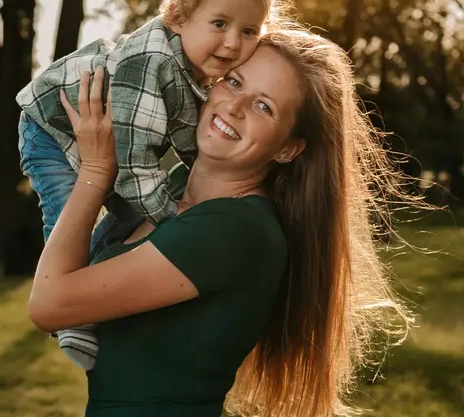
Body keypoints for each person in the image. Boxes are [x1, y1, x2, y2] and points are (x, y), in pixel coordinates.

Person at [28, 28, 413, 417]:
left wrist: (96, 171)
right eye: (234, 82)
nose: (234, 106)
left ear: (288, 148)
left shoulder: (236, 229)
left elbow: (49, 304)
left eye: (263, 106)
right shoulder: (170, 187)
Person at [16, 0, 281, 370]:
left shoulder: (194, 65)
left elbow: (185, 138)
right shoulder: (151, 61)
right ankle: (72, 312)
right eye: (220, 23)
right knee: (69, 214)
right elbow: (136, 163)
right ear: (178, 16)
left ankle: (96, 278)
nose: (234, 43)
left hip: (109, 142)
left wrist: (197, 189)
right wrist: (173, 216)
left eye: (249, 31)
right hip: (50, 128)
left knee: (132, 215)